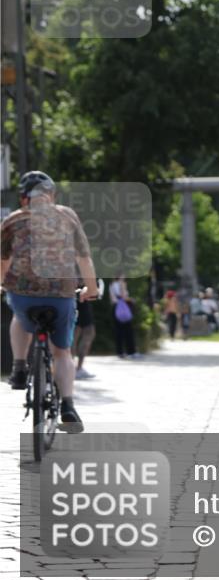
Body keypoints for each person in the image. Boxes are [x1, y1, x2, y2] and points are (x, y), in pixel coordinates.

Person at [1, 171, 98, 431]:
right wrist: (91, 288)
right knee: (62, 352)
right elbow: (84, 259)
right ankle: (68, 405)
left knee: (19, 315)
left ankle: (19, 367)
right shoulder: (67, 216)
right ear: (51, 195)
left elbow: (3, 262)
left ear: (24, 198)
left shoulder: (12, 221)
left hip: (23, 294)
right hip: (62, 294)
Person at [74, 278, 103, 380]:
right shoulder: (82, 264)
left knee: (74, 336)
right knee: (87, 333)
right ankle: (78, 368)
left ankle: (74, 366)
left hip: (73, 301)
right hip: (81, 302)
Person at [109, 274, 138, 358]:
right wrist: (131, 300)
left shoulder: (111, 285)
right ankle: (131, 352)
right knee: (128, 331)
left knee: (118, 332)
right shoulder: (122, 283)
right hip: (123, 308)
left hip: (115, 308)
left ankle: (120, 352)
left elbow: (112, 299)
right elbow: (123, 296)